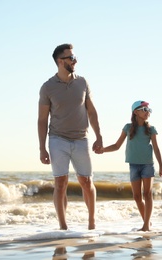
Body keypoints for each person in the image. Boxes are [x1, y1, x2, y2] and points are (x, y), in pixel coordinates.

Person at [38, 43, 103, 230]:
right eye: (71, 58)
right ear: (60, 61)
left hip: (81, 138)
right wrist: (42, 147)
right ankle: (63, 227)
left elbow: (92, 112)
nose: (75, 60)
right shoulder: (47, 87)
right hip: (57, 139)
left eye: (74, 57)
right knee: (60, 182)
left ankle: (91, 224)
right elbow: (42, 120)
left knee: (87, 180)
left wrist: (99, 136)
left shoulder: (82, 82)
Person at [96, 101, 162, 231]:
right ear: (135, 112)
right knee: (137, 196)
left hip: (147, 165)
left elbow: (156, 148)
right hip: (133, 165)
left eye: (149, 110)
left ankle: (146, 225)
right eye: (144, 109)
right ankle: (147, 223)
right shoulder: (128, 128)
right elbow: (117, 146)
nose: (147, 112)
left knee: (148, 194)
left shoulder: (151, 129)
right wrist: (103, 149)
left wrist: (161, 165)